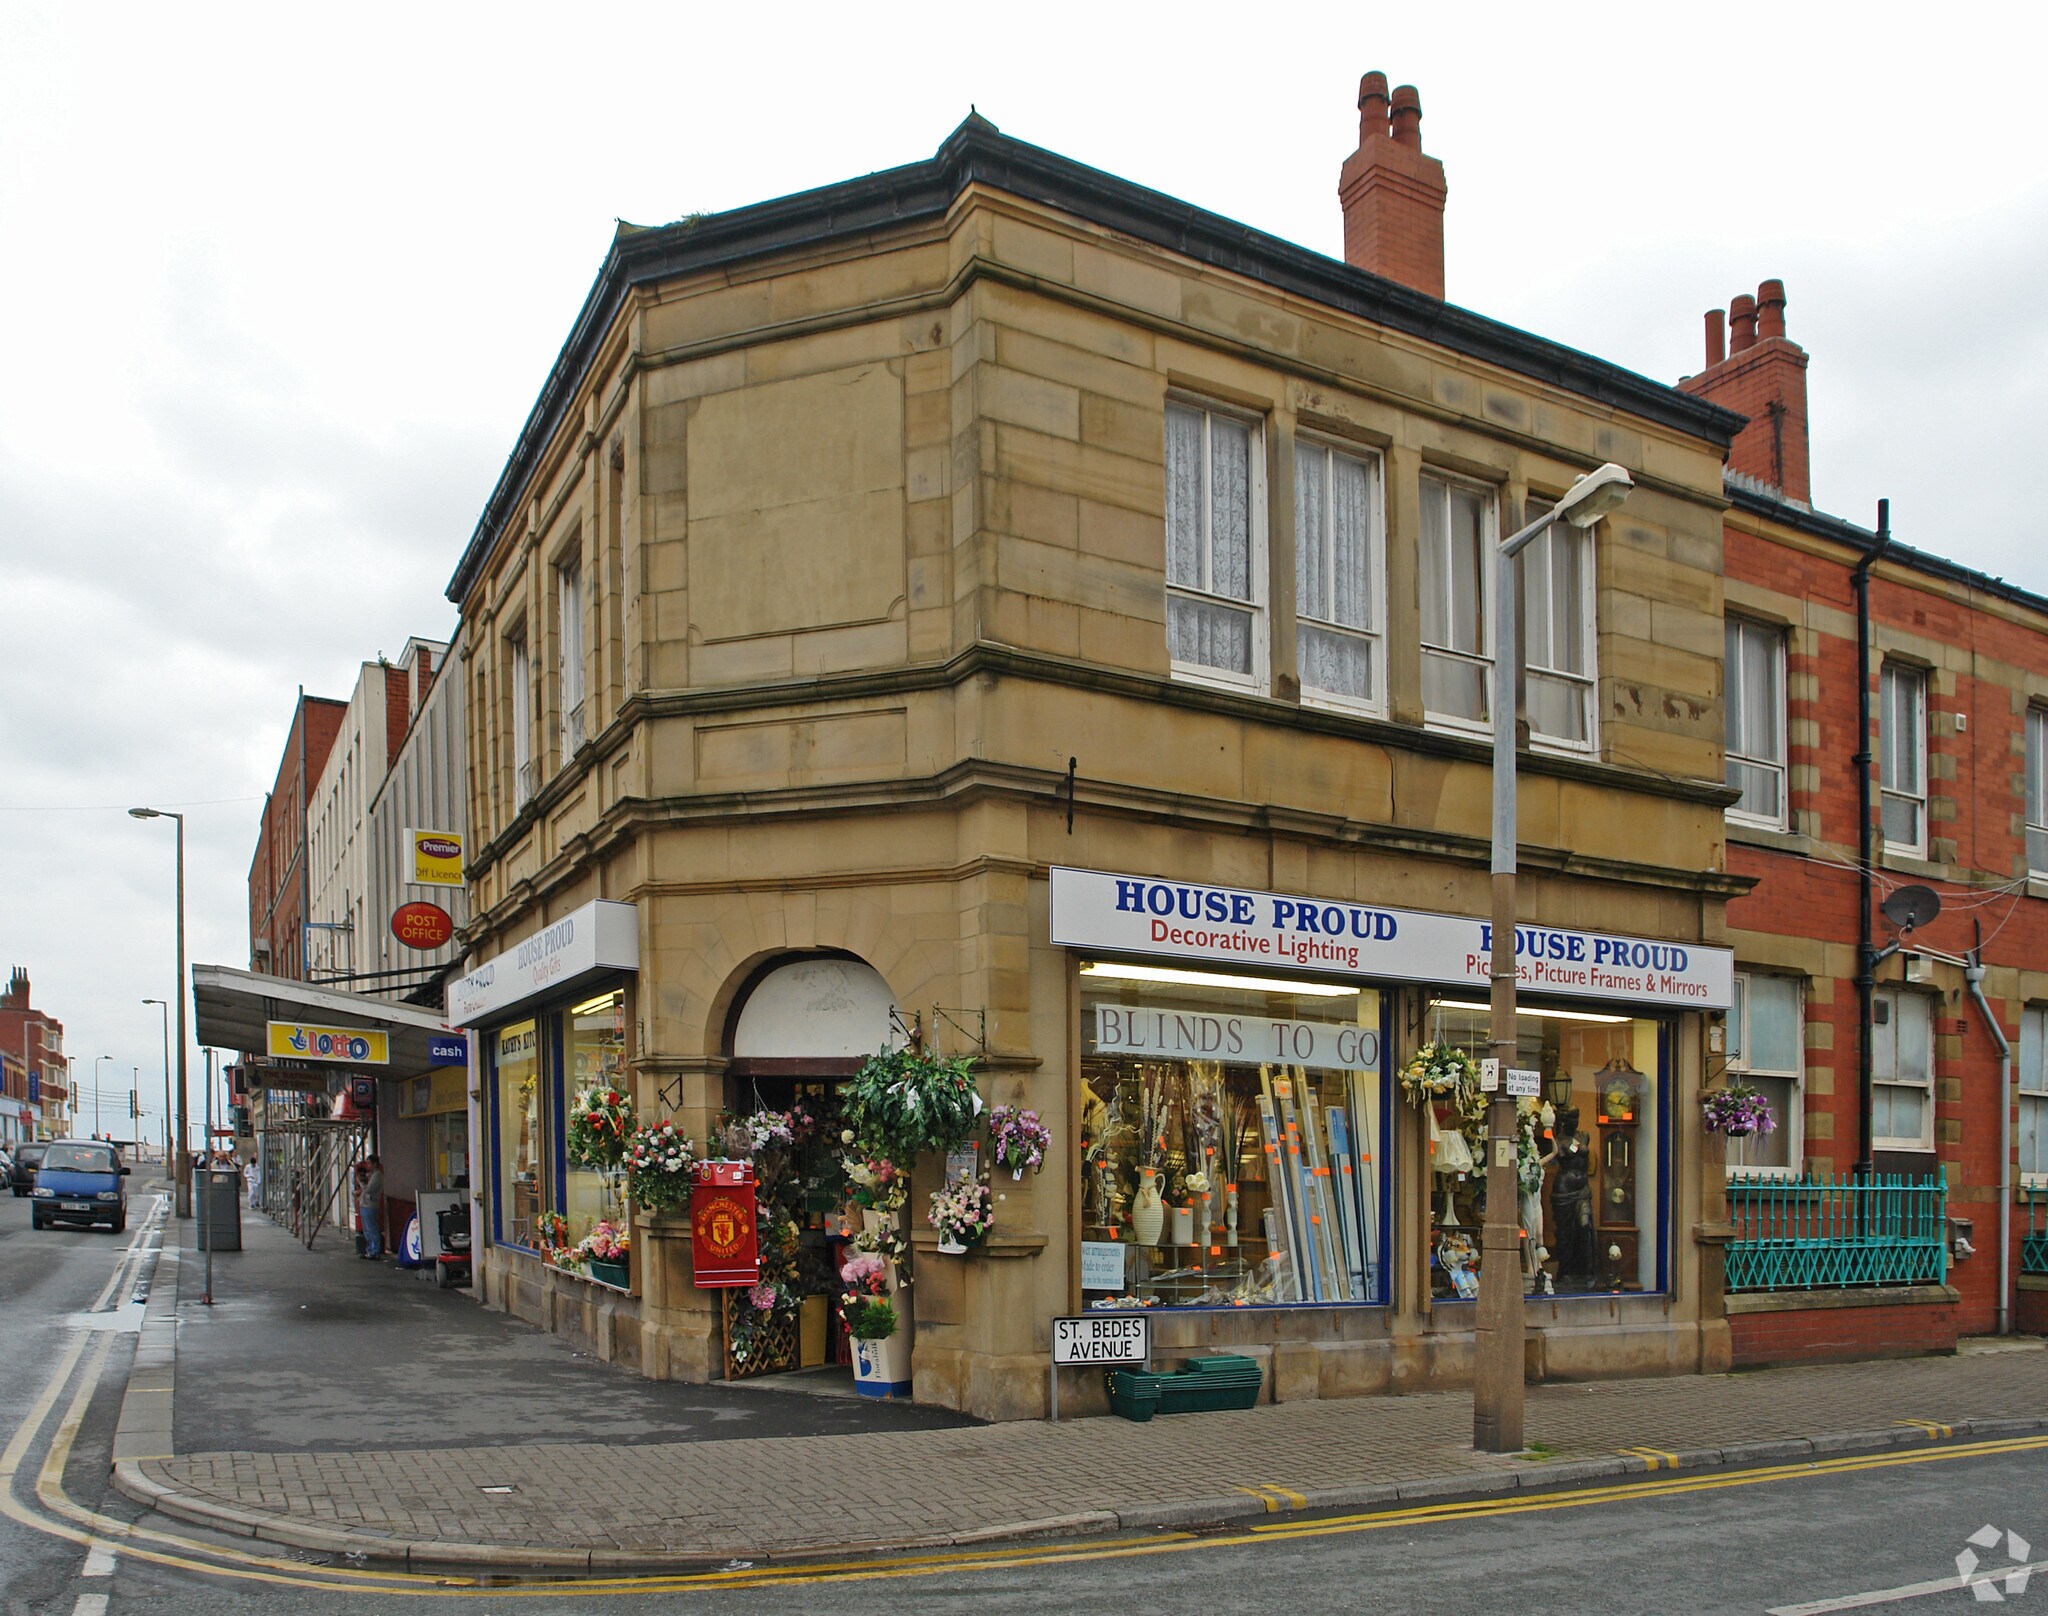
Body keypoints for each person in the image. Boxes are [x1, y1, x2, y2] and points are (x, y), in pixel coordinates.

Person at [356, 1155, 386, 1259]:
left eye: (369, 1163)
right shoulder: (370, 1175)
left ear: (375, 1164)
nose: (367, 1166)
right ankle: (369, 1250)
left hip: (370, 1204)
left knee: (372, 1228)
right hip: (364, 1204)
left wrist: (361, 1182)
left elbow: (369, 1189)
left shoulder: (377, 1176)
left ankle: (375, 1251)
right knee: (366, 1230)